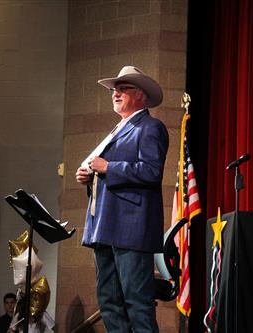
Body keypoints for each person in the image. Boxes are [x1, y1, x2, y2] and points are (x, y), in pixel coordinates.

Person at [76, 65, 168, 332]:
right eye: (114, 89)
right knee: (109, 304)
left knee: (137, 304)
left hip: (131, 229)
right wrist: (90, 177)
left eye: (123, 88)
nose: (115, 93)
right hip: (104, 226)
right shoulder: (116, 130)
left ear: (140, 94)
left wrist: (108, 168)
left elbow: (151, 172)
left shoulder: (150, 127)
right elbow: (105, 172)